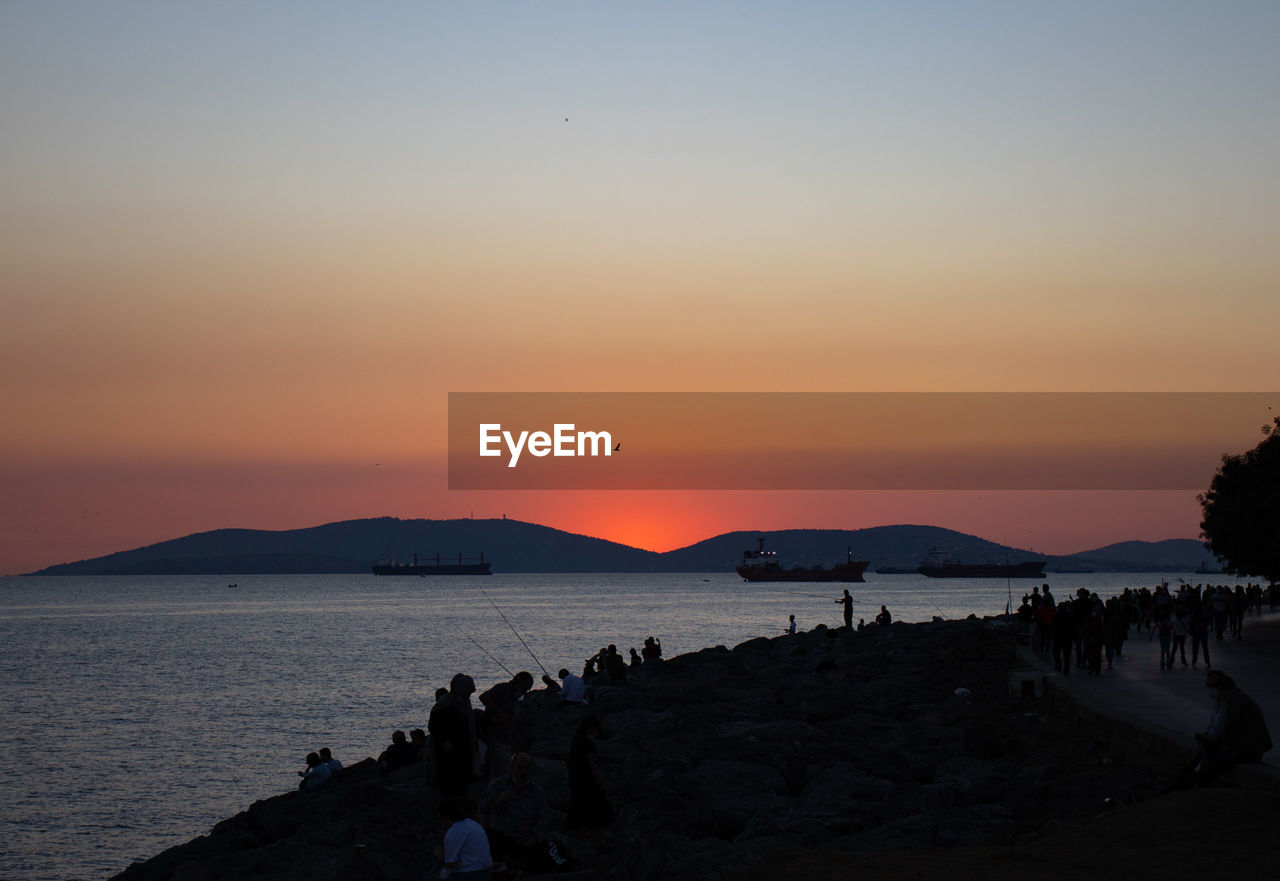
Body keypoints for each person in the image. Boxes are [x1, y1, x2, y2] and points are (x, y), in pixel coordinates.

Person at [1173, 670, 1273, 789]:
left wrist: (1212, 742)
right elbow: (1216, 728)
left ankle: (1196, 788)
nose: (1210, 690)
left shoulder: (1236, 702)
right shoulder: (1224, 702)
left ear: (1221, 688)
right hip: (1237, 747)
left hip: (1248, 750)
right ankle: (1183, 784)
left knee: (1211, 765)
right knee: (1201, 760)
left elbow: (1228, 730)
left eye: (1211, 687)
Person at [478, 752, 554, 874]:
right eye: (520, 768)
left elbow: (544, 818)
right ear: (513, 768)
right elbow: (482, 808)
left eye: (526, 768)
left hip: (526, 842)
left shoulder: (538, 793)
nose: (523, 772)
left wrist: (534, 837)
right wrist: (498, 801)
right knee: (486, 835)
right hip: (502, 838)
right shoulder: (498, 785)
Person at [431, 674, 478, 797]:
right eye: (467, 692)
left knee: (463, 782)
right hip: (449, 751)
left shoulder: (464, 702)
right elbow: (434, 726)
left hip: (464, 747)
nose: (468, 695)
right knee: (449, 782)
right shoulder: (445, 704)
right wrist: (444, 742)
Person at [479, 671, 534, 778]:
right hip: (495, 739)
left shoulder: (514, 697)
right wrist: (499, 712)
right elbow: (483, 697)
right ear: (518, 683)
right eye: (524, 688)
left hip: (506, 740)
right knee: (506, 773)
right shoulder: (502, 688)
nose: (524, 692)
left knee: (498, 773)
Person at [567, 715, 614, 834]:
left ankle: (580, 828)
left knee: (579, 804)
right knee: (596, 805)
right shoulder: (588, 745)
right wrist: (601, 781)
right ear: (591, 728)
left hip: (575, 778)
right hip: (586, 780)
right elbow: (592, 765)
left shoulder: (576, 739)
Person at [439, 796, 493, 880]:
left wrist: (441, 877)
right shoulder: (474, 825)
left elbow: (449, 864)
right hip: (486, 873)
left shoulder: (454, 831)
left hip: (469, 874)